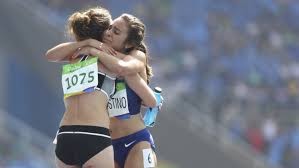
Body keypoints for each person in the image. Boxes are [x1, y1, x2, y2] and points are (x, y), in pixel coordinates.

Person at [46, 8, 158, 168]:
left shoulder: (135, 55)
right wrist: (88, 44)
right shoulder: (97, 56)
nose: (109, 33)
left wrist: (92, 50)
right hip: (105, 142)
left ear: (129, 43)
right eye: (110, 27)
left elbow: (123, 68)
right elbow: (51, 55)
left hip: (135, 140)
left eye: (116, 32)